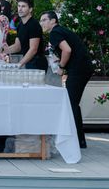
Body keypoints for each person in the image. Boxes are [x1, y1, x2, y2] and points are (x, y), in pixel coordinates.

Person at [40, 11, 93, 149]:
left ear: (53, 21)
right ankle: (79, 140)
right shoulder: (60, 30)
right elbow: (70, 49)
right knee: (72, 103)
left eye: (45, 20)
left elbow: (67, 50)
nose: (42, 23)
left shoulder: (55, 32)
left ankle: (78, 140)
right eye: (41, 21)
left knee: (70, 103)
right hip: (81, 67)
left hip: (79, 69)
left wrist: (61, 67)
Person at [3, 0, 47, 70]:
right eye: (19, 6)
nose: (20, 9)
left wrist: (19, 64)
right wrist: (2, 50)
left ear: (30, 9)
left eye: (23, 6)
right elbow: (17, 47)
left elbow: (33, 49)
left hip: (37, 63)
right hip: (29, 62)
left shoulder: (34, 25)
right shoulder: (20, 25)